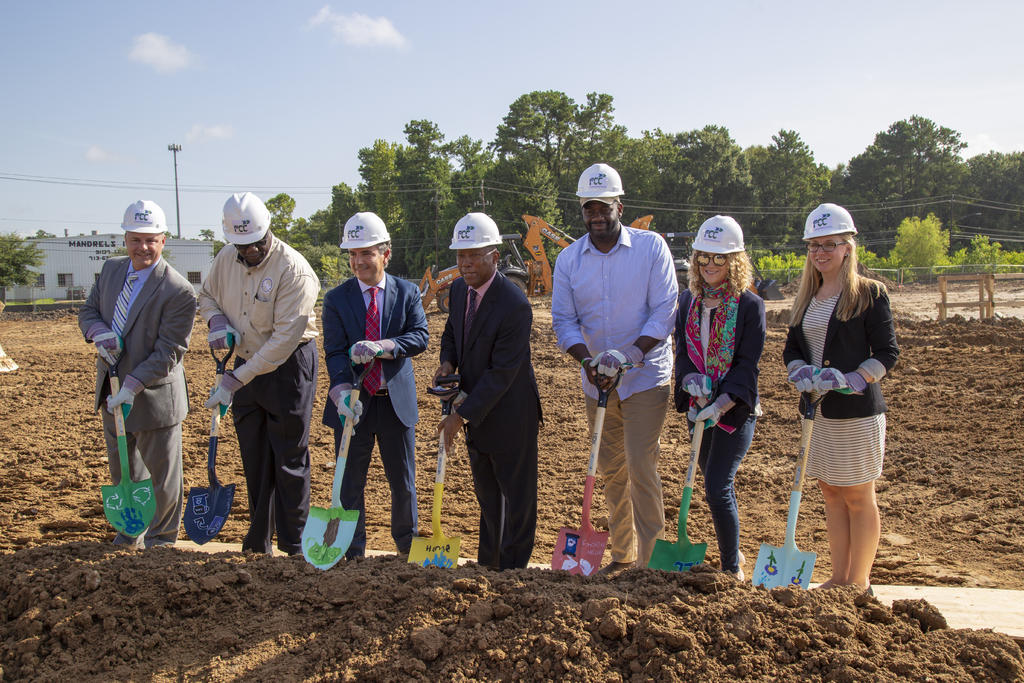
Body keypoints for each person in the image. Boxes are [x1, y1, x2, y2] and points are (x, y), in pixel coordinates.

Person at [551, 163, 678, 574]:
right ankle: (622, 555)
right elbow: (564, 320)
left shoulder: (650, 248)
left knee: (640, 464)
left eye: (604, 207)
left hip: (645, 376)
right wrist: (586, 361)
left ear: (619, 207)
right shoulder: (569, 259)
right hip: (597, 381)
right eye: (589, 208)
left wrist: (630, 356)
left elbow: (664, 311)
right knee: (611, 470)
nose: (596, 216)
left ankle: (651, 562)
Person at [783, 203, 899, 592]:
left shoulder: (869, 293)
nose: (821, 252)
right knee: (831, 493)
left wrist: (854, 378)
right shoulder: (807, 296)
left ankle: (860, 582)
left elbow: (888, 353)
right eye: (814, 245)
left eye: (829, 244)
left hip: (857, 413)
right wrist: (799, 370)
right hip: (819, 412)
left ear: (847, 247)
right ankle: (838, 577)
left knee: (858, 495)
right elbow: (792, 348)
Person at [198, 192, 320, 556]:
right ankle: (258, 543)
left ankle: (295, 545)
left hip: (287, 367)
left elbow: (283, 341)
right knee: (254, 455)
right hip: (244, 363)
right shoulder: (225, 258)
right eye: (242, 246)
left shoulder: (293, 270)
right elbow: (207, 296)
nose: (251, 251)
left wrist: (236, 380)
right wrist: (216, 322)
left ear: (268, 230)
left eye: (257, 242)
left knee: (289, 457)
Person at [79, 200, 197, 548]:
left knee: (162, 476)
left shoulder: (177, 290)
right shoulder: (111, 270)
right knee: (124, 471)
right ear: (125, 239)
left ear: (163, 241)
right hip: (111, 390)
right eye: (135, 239)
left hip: (153, 395)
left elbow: (169, 351)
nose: (142, 247)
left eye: (150, 240)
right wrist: (98, 332)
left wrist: (131, 386)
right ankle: (131, 531)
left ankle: (162, 540)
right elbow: (88, 311)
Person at [435, 212, 542, 570]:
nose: (465, 263)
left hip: (511, 414)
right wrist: (447, 362)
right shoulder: (458, 291)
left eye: (474, 255)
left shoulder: (514, 305)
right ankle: (488, 566)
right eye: (460, 255)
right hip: (477, 410)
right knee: (488, 497)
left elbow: (502, 373)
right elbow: (452, 333)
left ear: (495, 257)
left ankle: (512, 572)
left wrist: (459, 416)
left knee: (515, 500)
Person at [320, 211, 429, 559]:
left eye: (366, 253)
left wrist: (383, 346)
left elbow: (420, 336)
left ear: (386, 254)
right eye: (353, 254)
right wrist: (340, 393)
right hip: (355, 401)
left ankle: (408, 547)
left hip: (395, 401)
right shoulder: (336, 299)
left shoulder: (407, 292)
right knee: (350, 481)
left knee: (404, 482)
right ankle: (351, 551)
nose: (358, 261)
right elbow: (334, 351)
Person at [673, 216, 765, 581]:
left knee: (716, 486)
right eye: (704, 257)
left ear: (734, 261)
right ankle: (734, 550)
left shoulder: (749, 305)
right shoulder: (688, 302)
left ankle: (731, 568)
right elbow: (682, 353)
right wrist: (690, 382)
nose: (710, 265)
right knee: (714, 483)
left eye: (719, 258)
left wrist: (720, 403)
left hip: (734, 411)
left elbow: (747, 364)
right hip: (697, 409)